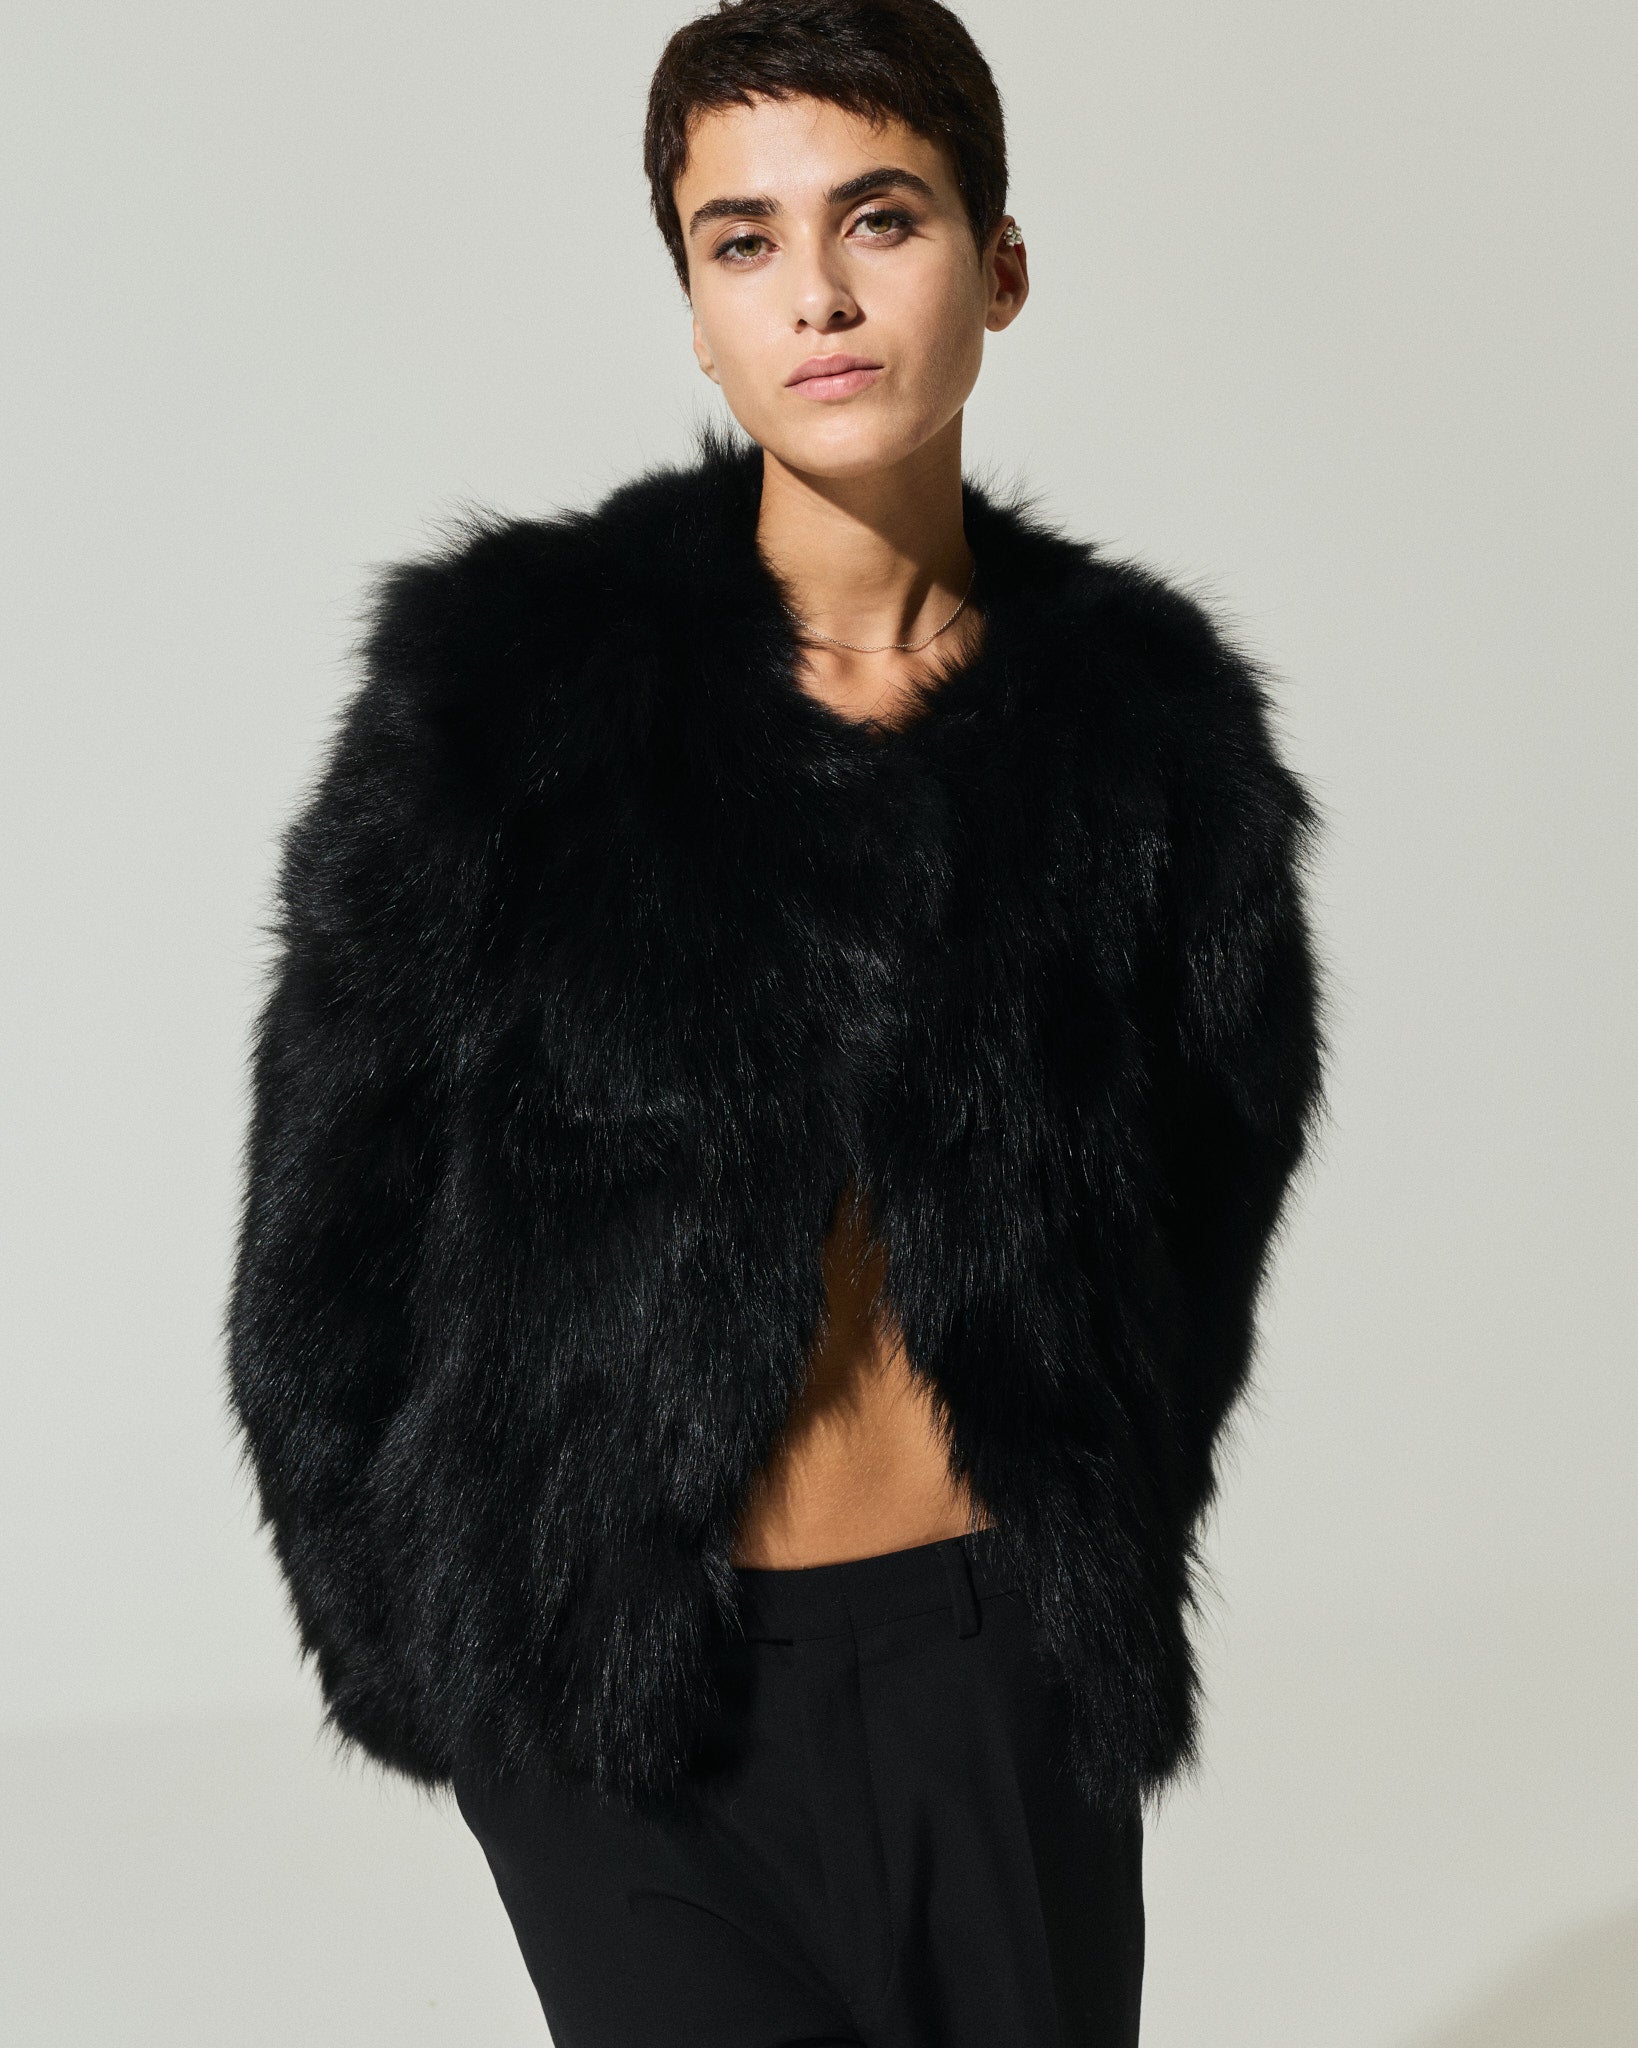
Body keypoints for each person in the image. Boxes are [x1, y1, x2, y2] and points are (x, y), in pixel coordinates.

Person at [226, 2, 1328, 2042]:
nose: (814, 292)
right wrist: (433, 1663)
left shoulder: (1148, 734)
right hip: (627, 1712)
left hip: (1006, 1672)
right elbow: (325, 1221)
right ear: (696, 312)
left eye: (878, 218)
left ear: (998, 264)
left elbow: (1208, 1202)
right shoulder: (509, 699)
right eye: (742, 240)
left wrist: (1088, 1549)